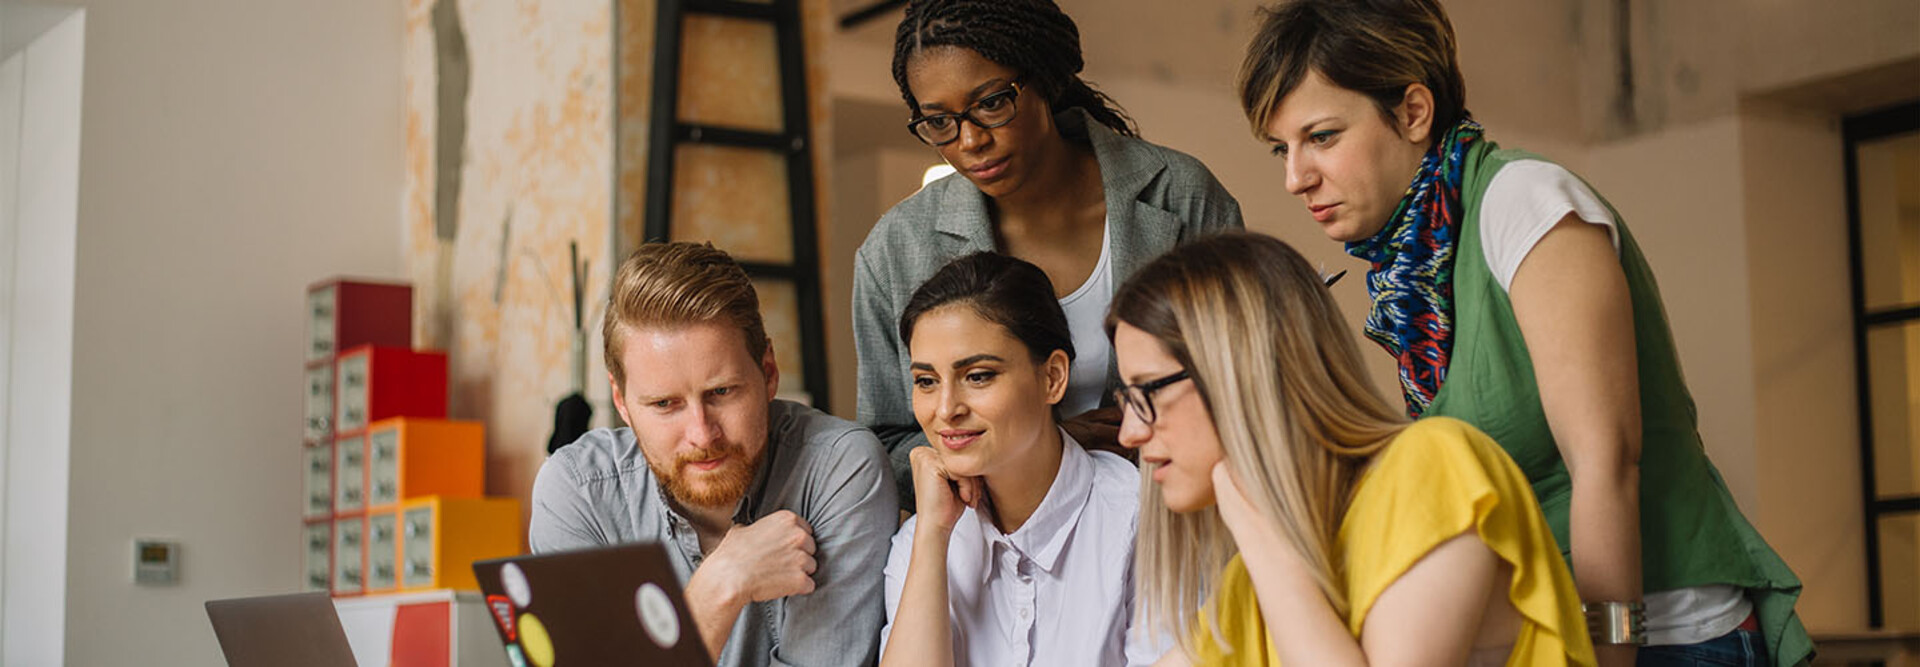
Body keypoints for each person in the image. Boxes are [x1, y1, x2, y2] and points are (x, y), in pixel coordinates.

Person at [1235, 2, 1809, 665]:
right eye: (1283, 148)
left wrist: (1605, 657)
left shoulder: (1524, 202)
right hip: (1544, 638)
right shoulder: (1414, 269)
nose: (1294, 177)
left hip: (1658, 639)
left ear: (1415, 113)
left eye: (1323, 136)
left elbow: (1606, 464)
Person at [1109, 232, 1594, 666]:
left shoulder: (1432, 466)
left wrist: (1253, 520)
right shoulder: (1256, 583)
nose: (1128, 432)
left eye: (1147, 392)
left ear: (1239, 374)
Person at [854, 0, 1244, 509]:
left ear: (1044, 78)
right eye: (939, 123)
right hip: (999, 548)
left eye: (993, 103)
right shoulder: (896, 250)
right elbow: (886, 447)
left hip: (1175, 528)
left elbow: (1247, 384)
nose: (970, 141)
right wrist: (1046, 450)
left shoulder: (1181, 198)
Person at [528, 242, 897, 667]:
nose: (702, 434)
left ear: (769, 372)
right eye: (665, 404)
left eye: (721, 392)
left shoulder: (841, 469)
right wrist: (720, 587)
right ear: (621, 402)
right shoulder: (577, 491)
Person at [878, 252, 1158, 667]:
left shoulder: (1143, 521)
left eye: (978, 376)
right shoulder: (921, 541)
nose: (945, 409)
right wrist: (933, 537)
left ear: (1052, 378)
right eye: (926, 381)